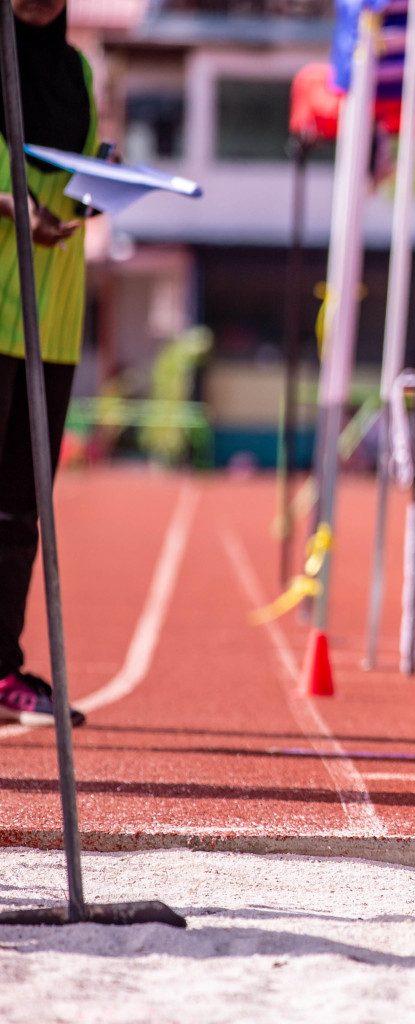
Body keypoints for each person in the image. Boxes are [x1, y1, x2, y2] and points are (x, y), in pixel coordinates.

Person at [0, 0, 92, 727]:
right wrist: (9, 206)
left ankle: (3, 665)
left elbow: (73, 171)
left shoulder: (77, 71)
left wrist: (100, 187)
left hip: (50, 317)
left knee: (22, 508)